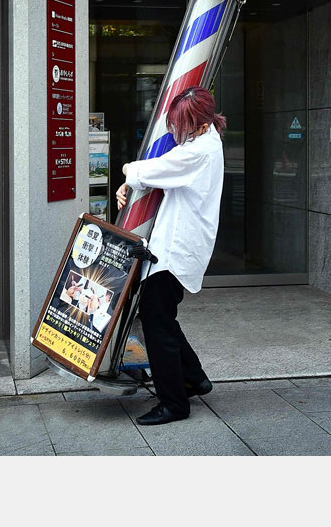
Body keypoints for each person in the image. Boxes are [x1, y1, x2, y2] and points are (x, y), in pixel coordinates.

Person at [116, 86, 225, 426]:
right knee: (163, 319)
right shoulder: (207, 141)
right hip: (178, 248)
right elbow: (162, 171)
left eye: (180, 123)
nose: (175, 130)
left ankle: (174, 403)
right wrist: (136, 181)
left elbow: (147, 169)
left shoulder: (197, 151)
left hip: (176, 250)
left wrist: (127, 177)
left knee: (156, 324)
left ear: (196, 121)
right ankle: (194, 378)